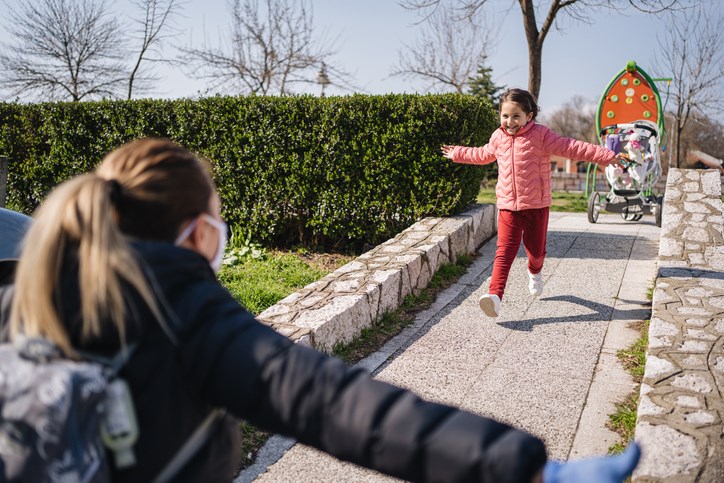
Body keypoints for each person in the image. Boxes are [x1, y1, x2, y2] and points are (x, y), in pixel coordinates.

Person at [0, 138, 639, 482]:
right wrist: (521, 470)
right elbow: (336, 406)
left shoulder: (20, 297)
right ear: (197, 233)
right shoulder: (183, 311)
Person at [442, 88, 626, 317]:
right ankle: (494, 296)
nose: (509, 121)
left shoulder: (541, 135)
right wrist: (458, 153)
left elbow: (572, 147)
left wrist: (606, 155)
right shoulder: (498, 137)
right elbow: (482, 154)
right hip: (508, 207)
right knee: (504, 252)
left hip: (536, 206)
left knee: (535, 251)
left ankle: (535, 271)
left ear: (529, 116)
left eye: (516, 116)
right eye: (505, 116)